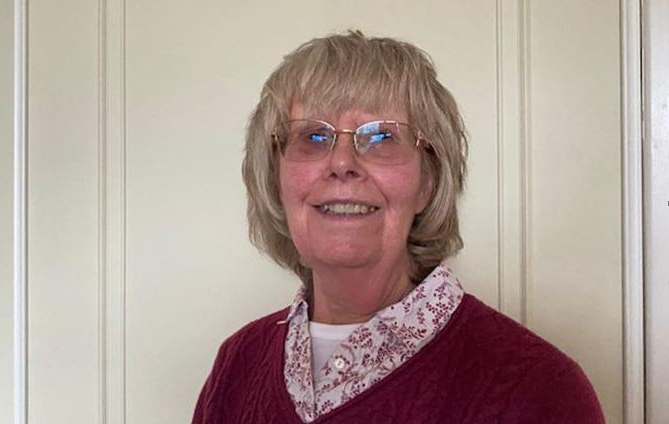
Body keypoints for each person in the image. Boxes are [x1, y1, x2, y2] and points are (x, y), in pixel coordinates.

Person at [193, 31, 604, 423]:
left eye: (382, 137)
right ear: (275, 178)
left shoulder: (541, 391)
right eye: (314, 137)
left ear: (428, 181)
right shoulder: (237, 365)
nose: (341, 163)